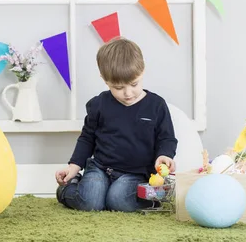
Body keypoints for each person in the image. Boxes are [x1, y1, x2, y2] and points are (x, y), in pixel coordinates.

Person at [55, 37, 178, 212]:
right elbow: (87, 138)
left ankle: (112, 196)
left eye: (134, 84)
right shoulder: (99, 104)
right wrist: (74, 166)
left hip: (136, 173)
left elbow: (167, 138)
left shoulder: (156, 105)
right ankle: (68, 189)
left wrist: (164, 156)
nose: (128, 93)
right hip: (100, 168)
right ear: (105, 80)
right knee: (91, 203)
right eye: (118, 88)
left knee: (118, 201)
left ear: (142, 71)